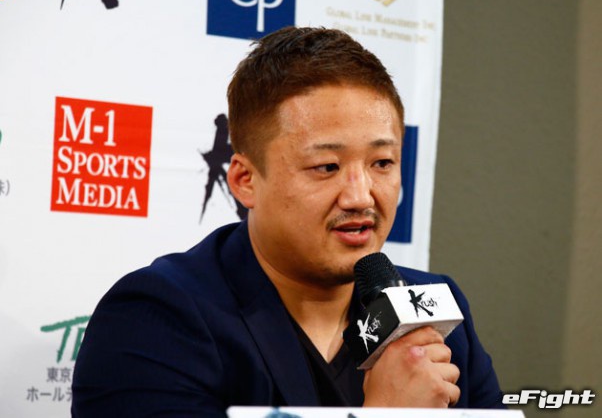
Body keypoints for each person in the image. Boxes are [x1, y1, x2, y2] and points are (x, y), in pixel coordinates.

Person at [72, 26, 504, 417]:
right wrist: (386, 414)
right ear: (245, 180)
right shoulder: (158, 317)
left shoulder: (434, 311)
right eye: (327, 167)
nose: (360, 196)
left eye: (382, 163)